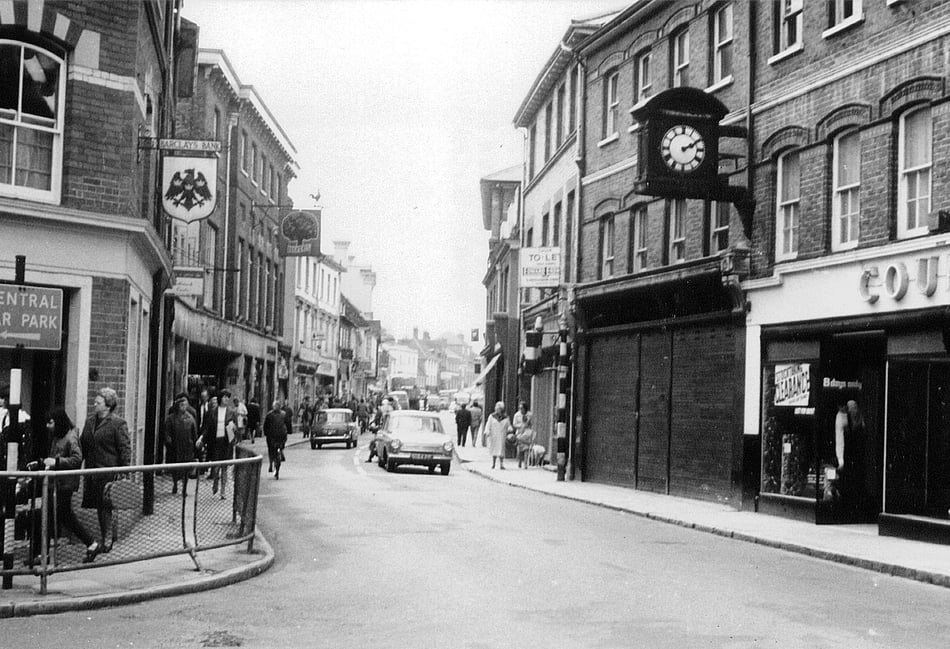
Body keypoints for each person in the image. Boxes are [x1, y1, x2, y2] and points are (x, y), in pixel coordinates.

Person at [37, 407, 101, 563]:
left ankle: (45, 554)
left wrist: (56, 462)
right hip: (57, 482)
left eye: (50, 422)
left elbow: (77, 459)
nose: (47, 426)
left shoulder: (70, 438)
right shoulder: (57, 436)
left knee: (54, 515)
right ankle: (91, 544)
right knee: (59, 515)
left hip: (64, 483)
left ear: (58, 422)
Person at [80, 387, 131, 553]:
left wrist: (124, 471)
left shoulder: (117, 423)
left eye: (99, 402)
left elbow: (124, 448)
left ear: (108, 406)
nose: (94, 403)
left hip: (108, 471)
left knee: (106, 506)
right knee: (99, 506)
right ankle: (106, 536)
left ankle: (107, 538)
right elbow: (83, 445)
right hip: (92, 471)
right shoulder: (90, 422)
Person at [199, 391, 237, 497]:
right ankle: (215, 481)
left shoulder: (231, 412)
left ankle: (223, 491)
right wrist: (201, 438)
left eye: (228, 398)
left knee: (224, 468)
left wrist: (233, 427)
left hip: (226, 442)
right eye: (224, 397)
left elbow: (236, 429)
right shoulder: (212, 412)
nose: (226, 399)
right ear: (220, 398)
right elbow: (207, 428)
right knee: (216, 466)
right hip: (215, 442)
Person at [164, 393, 198, 495]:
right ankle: (175, 483)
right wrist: (168, 440)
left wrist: (195, 444)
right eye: (181, 405)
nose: (184, 407)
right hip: (175, 446)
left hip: (187, 446)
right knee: (175, 467)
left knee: (186, 469)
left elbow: (194, 432)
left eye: (185, 405)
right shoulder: (171, 418)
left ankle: (185, 487)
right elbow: (167, 431)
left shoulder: (190, 418)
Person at [263, 400, 287, 478]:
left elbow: (265, 426)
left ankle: (270, 463)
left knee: (271, 449)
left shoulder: (269, 414)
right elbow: (288, 424)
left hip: (272, 436)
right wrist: (288, 432)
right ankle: (281, 452)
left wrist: (266, 433)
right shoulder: (284, 414)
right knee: (281, 446)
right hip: (281, 436)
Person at [486, 401, 513, 470]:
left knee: (501, 449)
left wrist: (510, 429)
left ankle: (501, 464)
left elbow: (509, 425)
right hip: (494, 435)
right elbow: (488, 425)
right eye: (497, 408)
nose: (498, 410)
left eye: (500, 409)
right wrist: (487, 431)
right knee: (494, 448)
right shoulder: (492, 416)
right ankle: (494, 463)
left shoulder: (506, 417)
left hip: (502, 435)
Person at [366, 398, 392, 463]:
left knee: (374, 442)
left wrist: (374, 426)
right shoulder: (391, 409)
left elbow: (377, 419)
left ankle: (370, 458)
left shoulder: (380, 410)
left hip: (382, 429)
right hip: (390, 429)